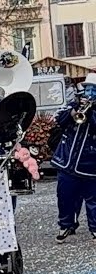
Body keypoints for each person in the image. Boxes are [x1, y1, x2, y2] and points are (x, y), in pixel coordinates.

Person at [52, 73, 96, 242]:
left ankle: (94, 228)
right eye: (88, 89)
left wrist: (90, 112)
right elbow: (59, 121)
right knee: (65, 196)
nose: (90, 93)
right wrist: (72, 112)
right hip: (66, 161)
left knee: (93, 199)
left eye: (93, 90)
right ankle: (66, 226)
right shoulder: (74, 104)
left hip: (90, 163)